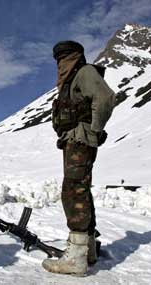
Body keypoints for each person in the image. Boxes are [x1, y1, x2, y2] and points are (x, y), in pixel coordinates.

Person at [42, 41, 116, 276]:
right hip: (73, 139)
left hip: (81, 139)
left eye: (64, 57)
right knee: (80, 188)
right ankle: (89, 249)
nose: (60, 63)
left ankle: (76, 258)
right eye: (58, 59)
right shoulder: (70, 79)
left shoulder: (84, 72)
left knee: (73, 190)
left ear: (75, 56)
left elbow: (105, 97)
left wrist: (94, 130)